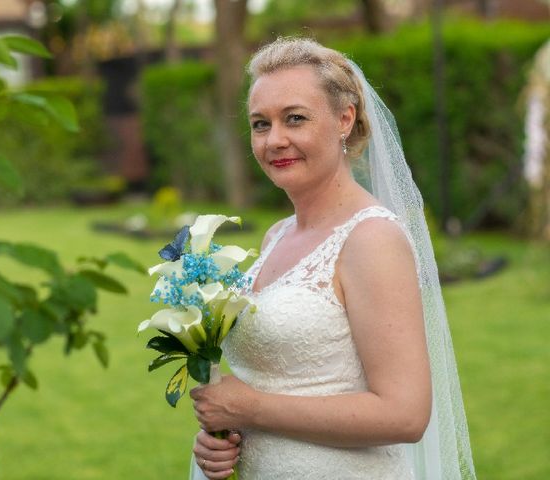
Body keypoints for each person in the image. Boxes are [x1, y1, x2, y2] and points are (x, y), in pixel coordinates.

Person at [189, 37, 475, 480]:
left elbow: (404, 415)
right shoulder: (276, 236)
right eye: (260, 124)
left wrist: (250, 409)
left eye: (295, 119)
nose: (274, 140)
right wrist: (223, 436)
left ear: (345, 119)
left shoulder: (371, 239)